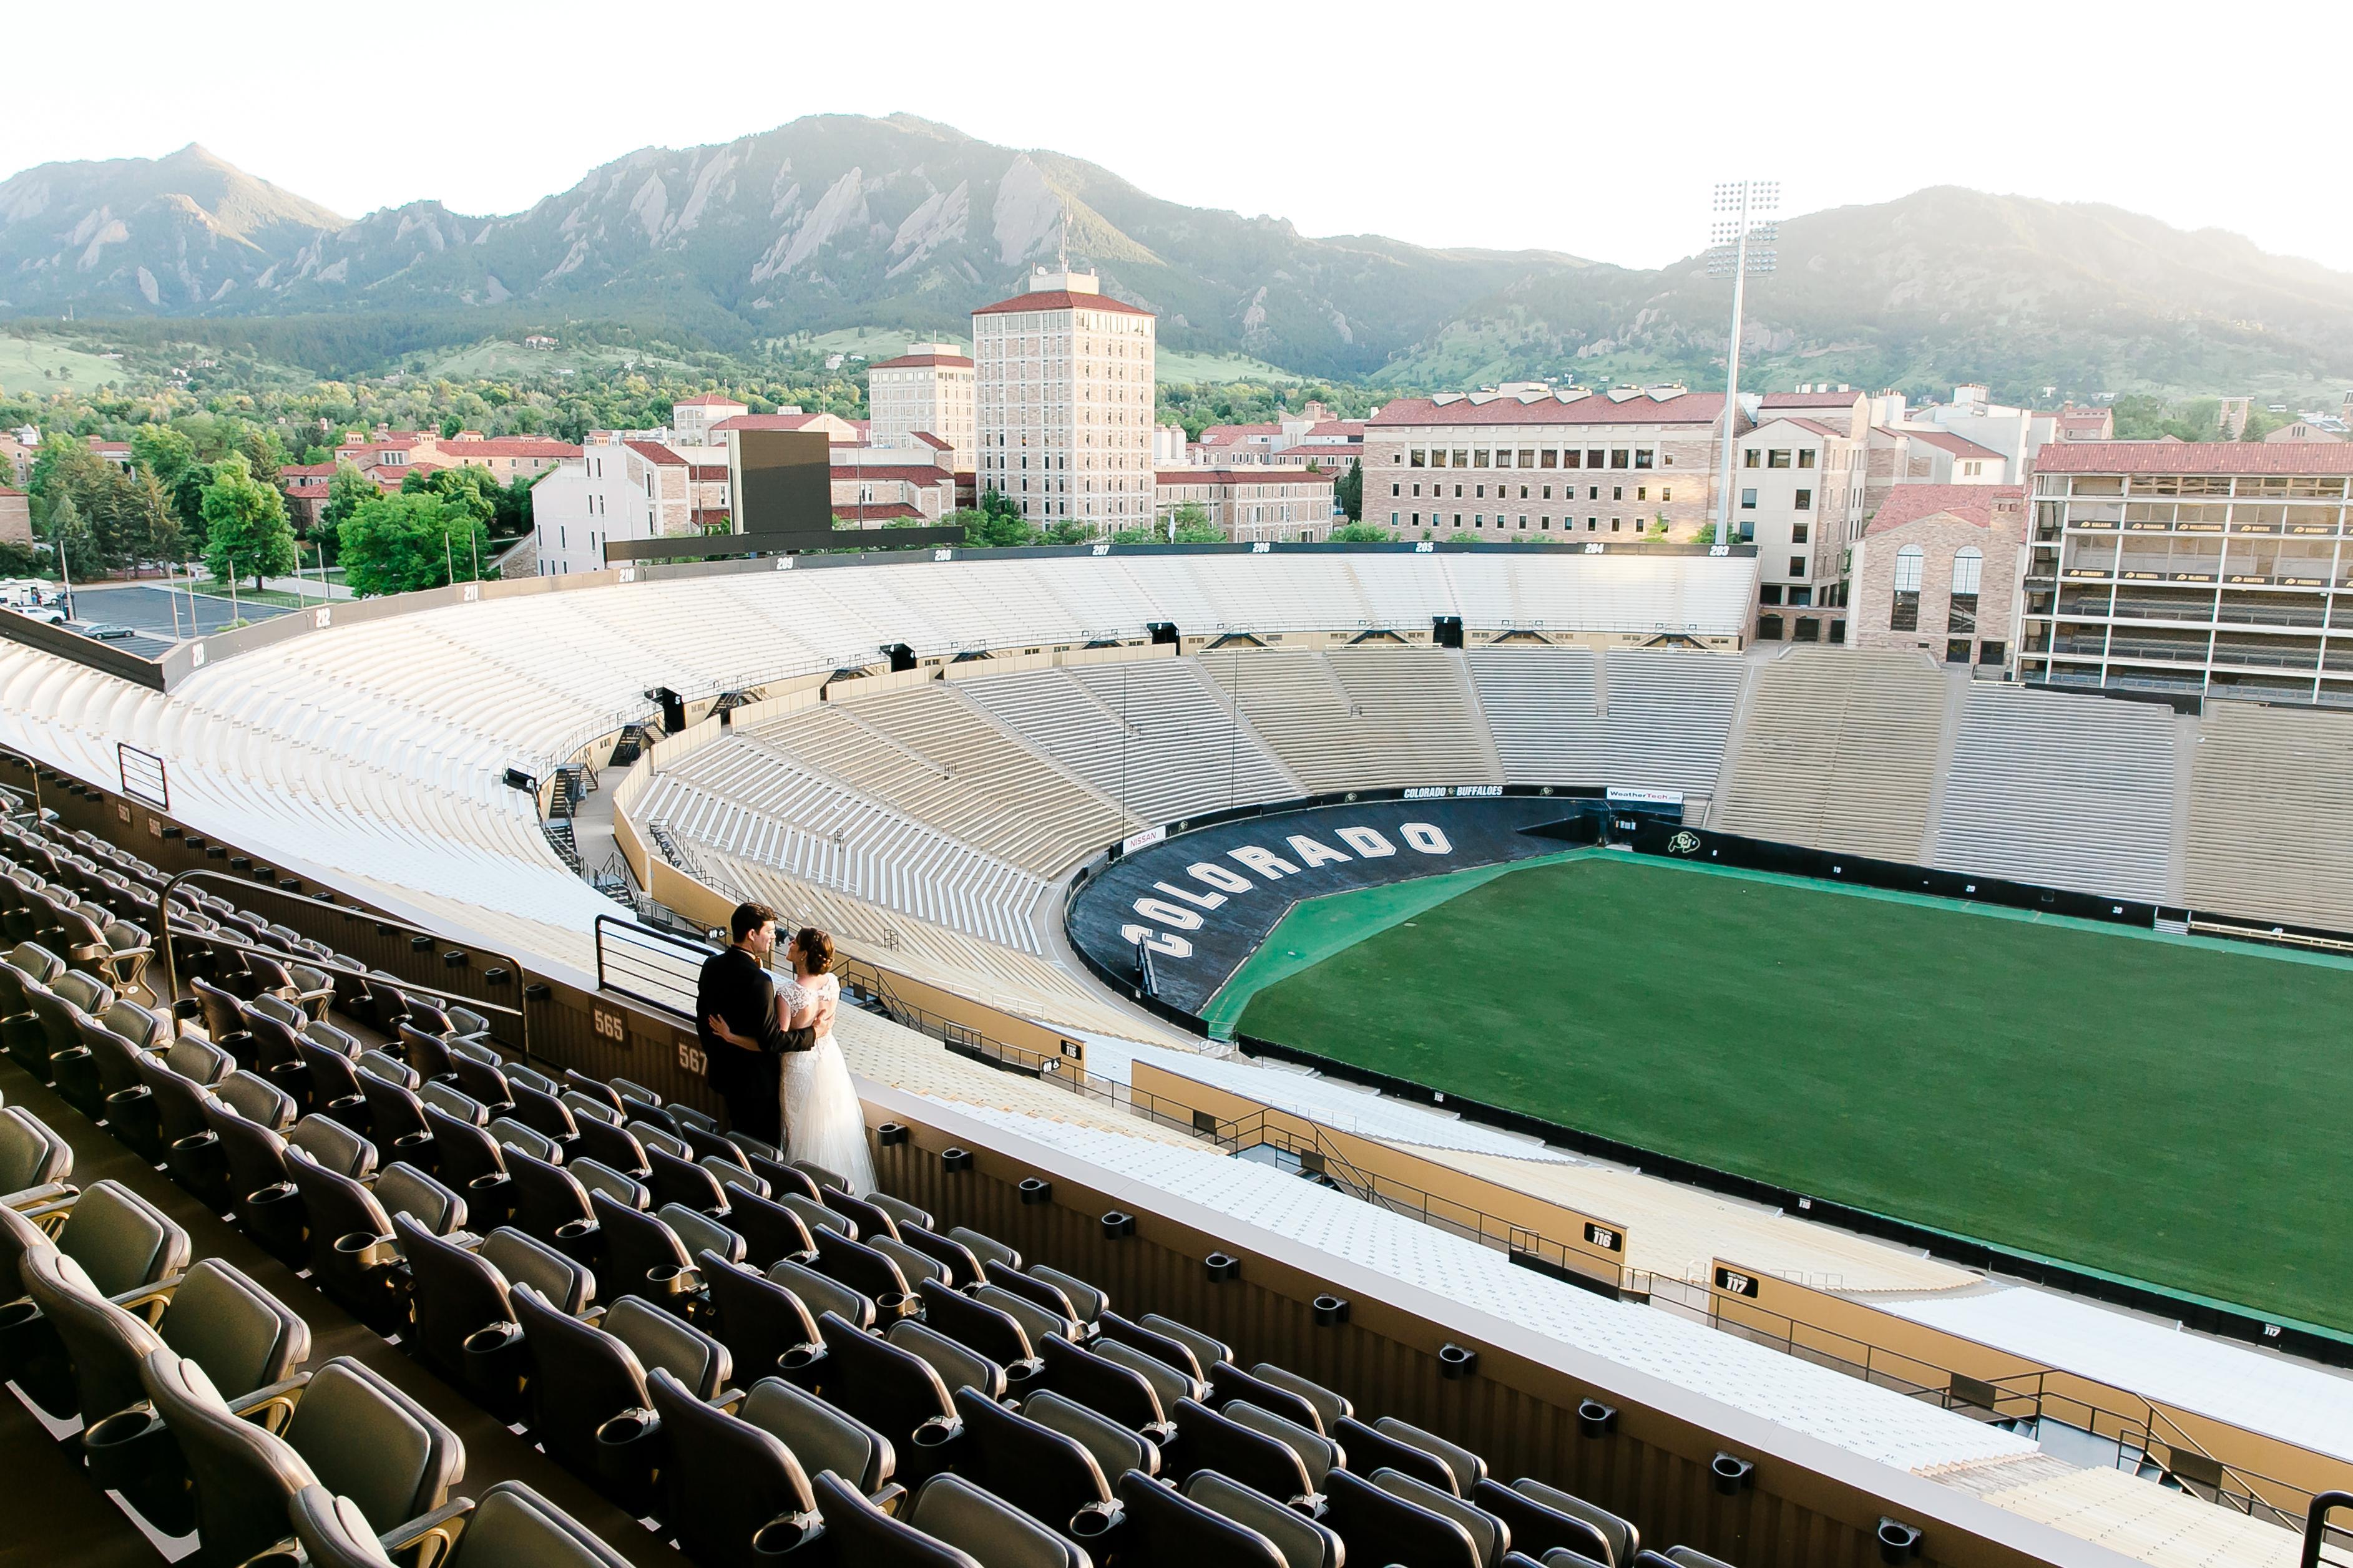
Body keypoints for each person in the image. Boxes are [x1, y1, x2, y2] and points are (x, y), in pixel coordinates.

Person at [713, 926, 874, 1194]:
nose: (788, 944)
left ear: (804, 954)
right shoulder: (832, 983)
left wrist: (732, 1037)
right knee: (828, 1130)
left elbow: (774, 1043)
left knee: (798, 1132)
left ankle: (803, 1192)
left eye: (795, 943)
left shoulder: (788, 994)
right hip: (828, 1062)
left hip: (798, 1068)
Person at [697, 902, 789, 1145]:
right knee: (764, 1151)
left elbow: (702, 1021)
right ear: (751, 934)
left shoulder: (712, 965)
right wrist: (812, 1034)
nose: (773, 937)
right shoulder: (760, 981)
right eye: (769, 932)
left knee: (740, 1139)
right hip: (758, 1087)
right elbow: (770, 1042)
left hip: (726, 1077)